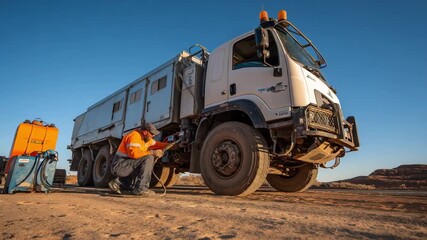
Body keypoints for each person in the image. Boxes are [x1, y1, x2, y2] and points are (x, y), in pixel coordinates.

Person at [108, 123, 168, 196]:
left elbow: (157, 144)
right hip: (119, 165)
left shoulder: (147, 139)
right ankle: (141, 189)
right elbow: (134, 154)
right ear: (145, 132)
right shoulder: (134, 136)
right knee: (149, 158)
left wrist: (170, 144)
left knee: (145, 161)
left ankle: (119, 183)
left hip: (127, 164)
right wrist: (152, 152)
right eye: (152, 134)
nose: (154, 135)